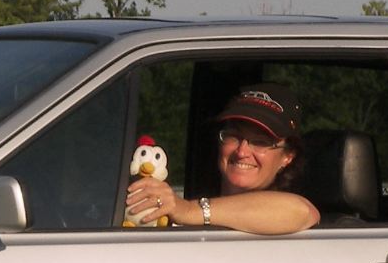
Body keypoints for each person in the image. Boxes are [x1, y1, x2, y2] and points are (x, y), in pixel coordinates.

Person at [126, 84, 320, 234]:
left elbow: (303, 212)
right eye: (233, 136)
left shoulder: (288, 217)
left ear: (288, 157)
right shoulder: (184, 211)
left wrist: (189, 211)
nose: (242, 151)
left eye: (260, 142)